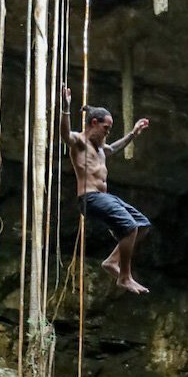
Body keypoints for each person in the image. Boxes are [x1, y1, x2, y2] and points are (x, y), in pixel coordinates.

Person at [60, 85, 151, 295]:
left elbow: (115, 148)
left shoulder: (101, 148)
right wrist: (65, 107)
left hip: (104, 197)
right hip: (89, 198)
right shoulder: (80, 143)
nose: (107, 133)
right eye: (106, 128)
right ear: (94, 123)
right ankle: (125, 277)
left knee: (142, 225)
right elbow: (65, 134)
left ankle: (112, 262)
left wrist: (133, 134)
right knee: (129, 227)